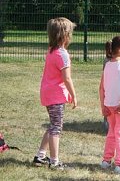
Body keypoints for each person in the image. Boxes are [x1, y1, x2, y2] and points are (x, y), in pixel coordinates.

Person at [34, 17, 77, 171]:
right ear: (65, 35)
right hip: (55, 96)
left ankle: (40, 156)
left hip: (48, 93)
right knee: (56, 128)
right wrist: (74, 95)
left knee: (53, 125)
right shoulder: (62, 54)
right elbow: (67, 78)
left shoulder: (51, 51)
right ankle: (54, 161)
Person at [100, 35, 120, 175]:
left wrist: (103, 105)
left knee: (112, 132)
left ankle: (106, 160)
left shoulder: (107, 64)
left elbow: (101, 87)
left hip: (109, 104)